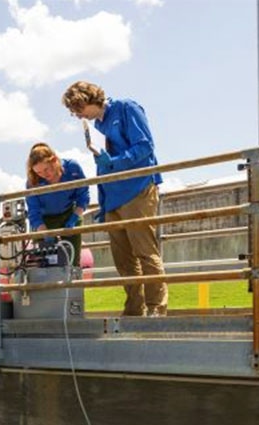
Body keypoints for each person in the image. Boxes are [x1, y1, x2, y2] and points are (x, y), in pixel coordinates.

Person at [62, 80, 167, 316]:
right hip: (113, 198)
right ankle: (135, 309)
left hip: (138, 189)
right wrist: (104, 203)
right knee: (123, 260)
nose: (78, 115)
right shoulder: (98, 125)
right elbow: (103, 168)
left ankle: (156, 308)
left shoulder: (126, 108)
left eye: (79, 109)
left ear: (90, 99)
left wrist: (114, 162)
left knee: (145, 251)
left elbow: (145, 147)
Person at [21, 142, 90, 262]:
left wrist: (74, 218)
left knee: (72, 259)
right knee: (46, 261)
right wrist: (45, 232)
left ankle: (73, 271)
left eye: (46, 169)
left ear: (54, 160)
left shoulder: (72, 168)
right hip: (45, 220)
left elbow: (83, 196)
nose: (44, 175)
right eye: (39, 172)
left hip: (70, 214)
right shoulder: (33, 182)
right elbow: (34, 212)